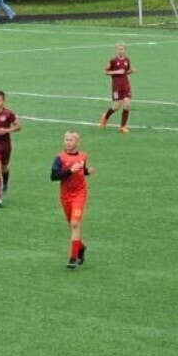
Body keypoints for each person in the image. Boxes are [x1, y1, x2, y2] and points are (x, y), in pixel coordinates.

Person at [50, 130, 94, 269]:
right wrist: (70, 171)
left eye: (71, 140)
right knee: (72, 226)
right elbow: (54, 176)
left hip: (79, 194)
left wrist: (87, 172)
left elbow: (81, 170)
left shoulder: (83, 156)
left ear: (77, 142)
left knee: (75, 223)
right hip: (65, 195)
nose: (68, 142)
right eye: (66, 140)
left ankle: (73, 258)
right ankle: (81, 247)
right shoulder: (59, 158)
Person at [98, 43, 133, 133]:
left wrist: (130, 71)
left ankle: (122, 126)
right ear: (116, 50)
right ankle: (105, 116)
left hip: (126, 85)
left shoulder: (127, 60)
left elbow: (126, 71)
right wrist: (117, 71)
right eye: (119, 49)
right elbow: (106, 72)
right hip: (116, 87)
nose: (121, 51)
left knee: (127, 104)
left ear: (125, 50)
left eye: (122, 49)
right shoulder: (113, 60)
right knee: (116, 107)